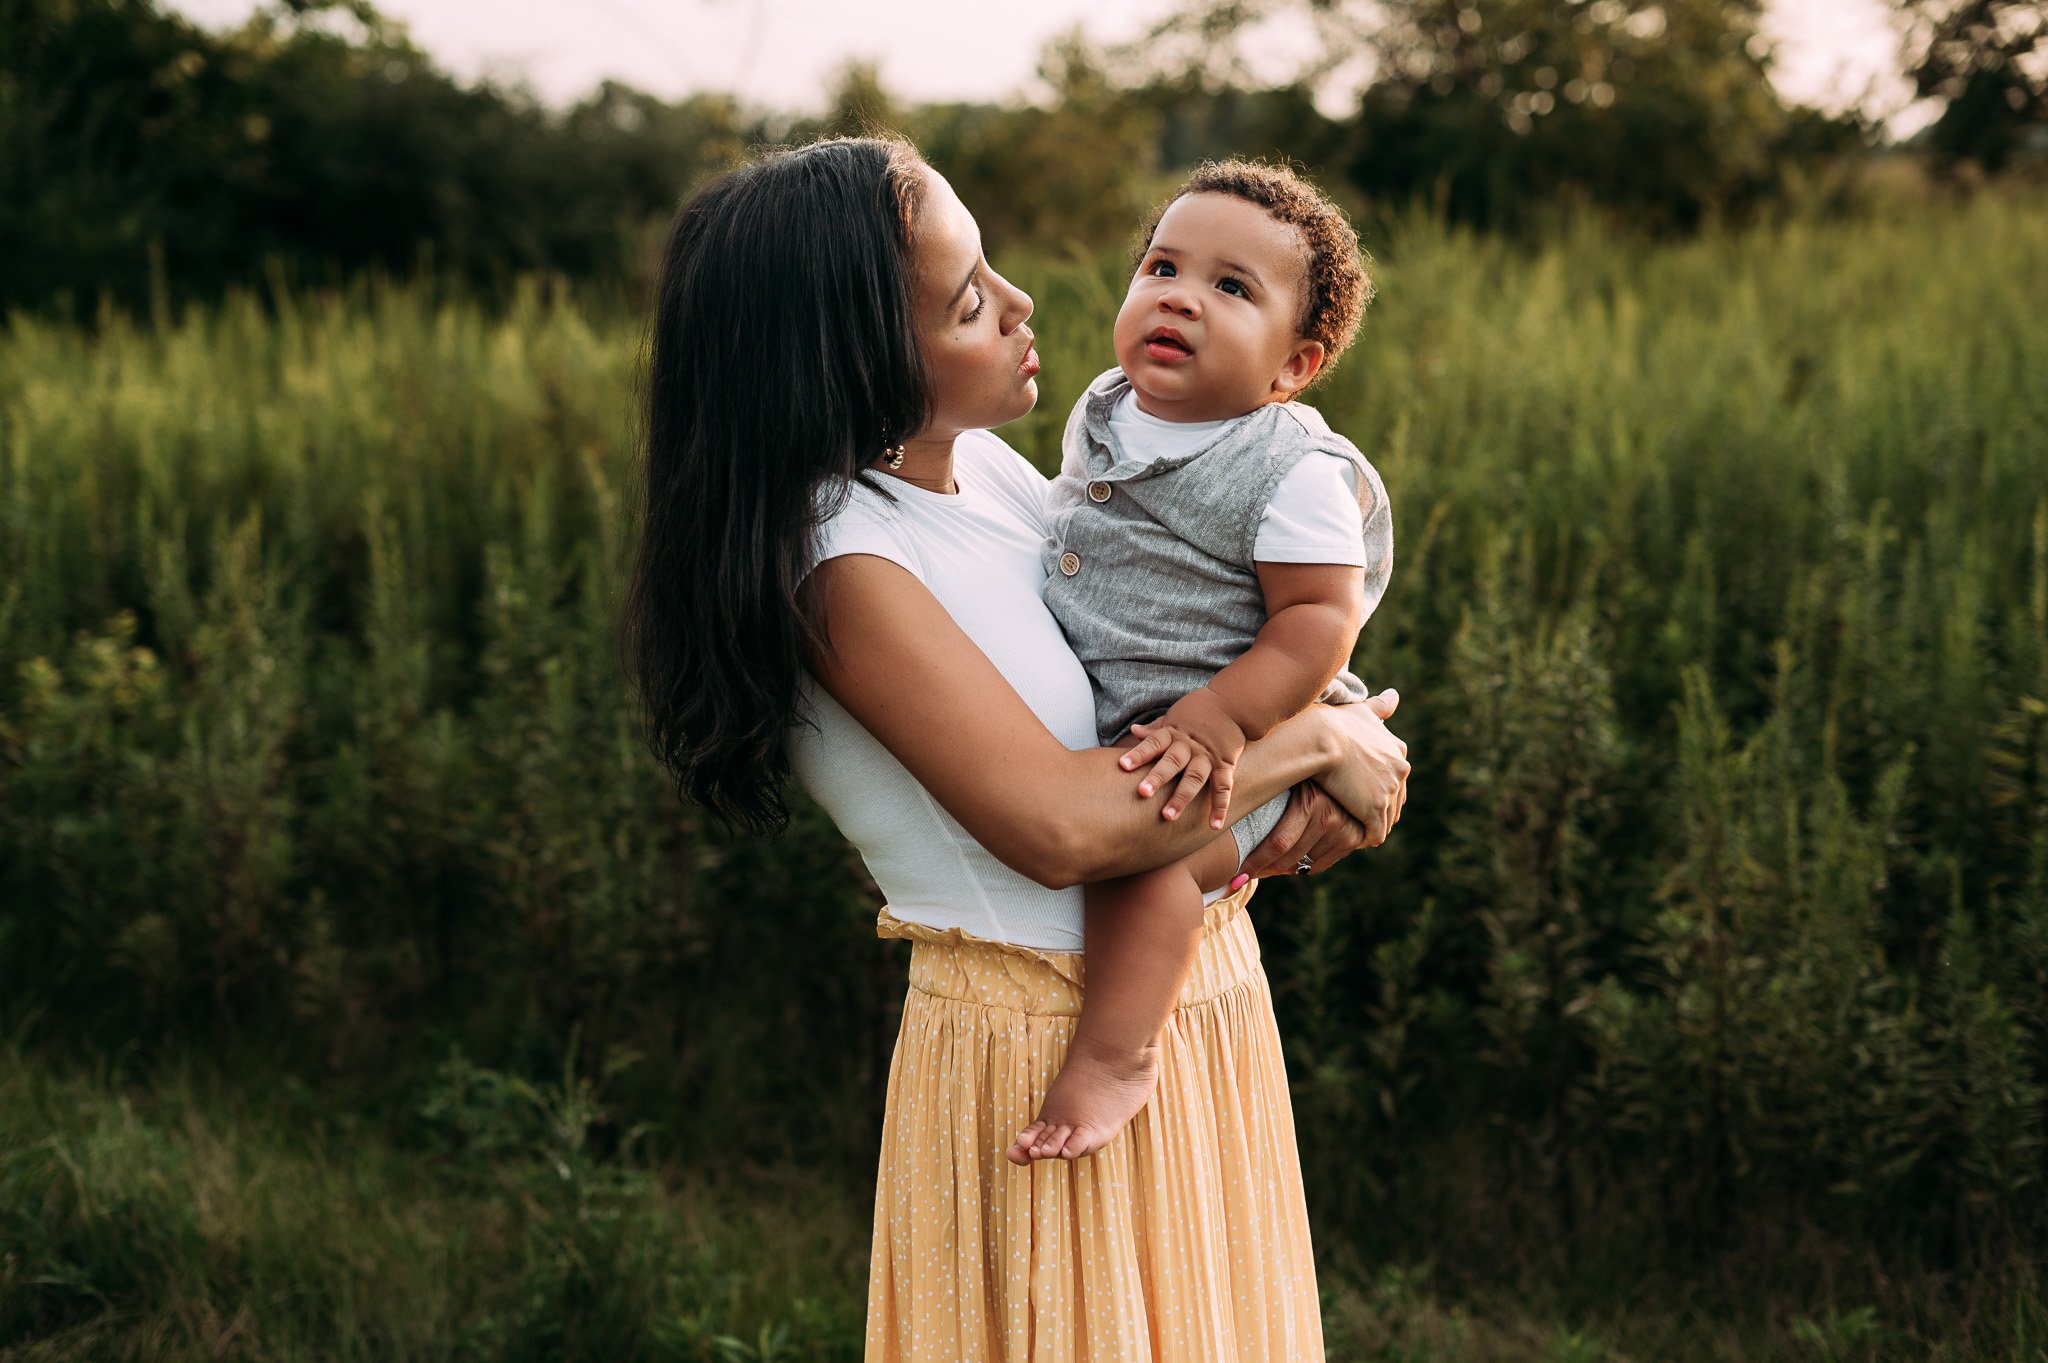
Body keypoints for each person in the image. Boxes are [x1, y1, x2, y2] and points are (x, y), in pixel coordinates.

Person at [619, 136, 1411, 1362]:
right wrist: (1316, 736)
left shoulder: (985, 470)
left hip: (1188, 1001)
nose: (1023, 302)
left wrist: (1299, 780)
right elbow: (1058, 826)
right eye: (968, 295)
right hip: (1039, 1048)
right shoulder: (837, 562)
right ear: (850, 356)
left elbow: (1169, 659)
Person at [1008, 161, 1394, 1166]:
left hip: (1226, 730)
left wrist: (1221, 720)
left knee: (1149, 864)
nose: (1178, 294)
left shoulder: (1289, 469)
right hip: (1134, 724)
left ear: (1292, 366)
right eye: (1161, 266)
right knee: (1129, 840)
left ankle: (1116, 1052)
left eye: (1231, 287)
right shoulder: (1102, 405)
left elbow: (1316, 622)